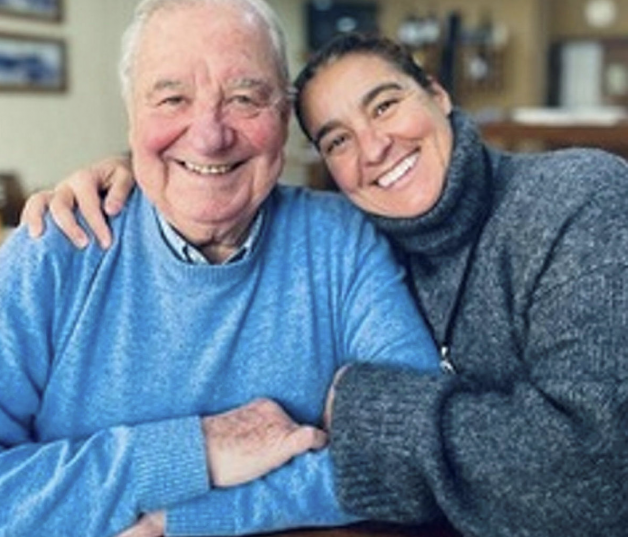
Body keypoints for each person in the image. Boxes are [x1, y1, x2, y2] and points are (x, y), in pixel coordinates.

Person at [27, 32, 628, 537]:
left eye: (386, 104)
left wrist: (366, 411)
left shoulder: (577, 200)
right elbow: (209, 158)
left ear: (440, 95)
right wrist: (142, 172)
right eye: (337, 139)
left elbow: (600, 472)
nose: (373, 146)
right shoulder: (365, 223)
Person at [0, 5, 443, 536]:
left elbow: (413, 455)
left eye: (244, 98)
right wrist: (198, 450)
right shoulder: (57, 246)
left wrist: (183, 521)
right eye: (172, 99)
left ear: (283, 116)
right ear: (132, 117)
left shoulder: (343, 242)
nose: (209, 136)